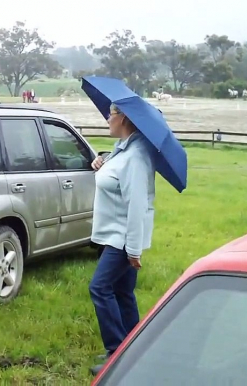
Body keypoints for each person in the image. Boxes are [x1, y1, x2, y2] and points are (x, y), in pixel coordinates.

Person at [88, 103, 156, 375]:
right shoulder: (123, 148)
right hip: (115, 235)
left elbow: (137, 204)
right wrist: (100, 162)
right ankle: (136, 348)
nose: (108, 118)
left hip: (123, 239)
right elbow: (115, 174)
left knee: (99, 288)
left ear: (124, 118)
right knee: (122, 292)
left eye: (112, 113)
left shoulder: (136, 155)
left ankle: (116, 353)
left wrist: (134, 249)